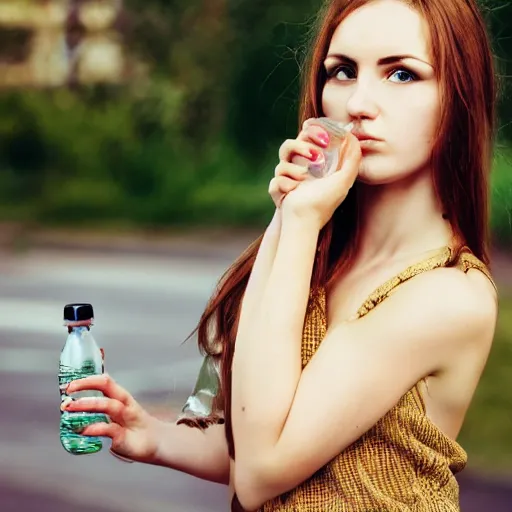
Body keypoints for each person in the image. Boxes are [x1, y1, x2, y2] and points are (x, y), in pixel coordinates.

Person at [64, 0, 500, 510]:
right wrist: (154, 437)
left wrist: (296, 222)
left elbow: (261, 471)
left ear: (461, 95)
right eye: (341, 72)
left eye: (402, 74)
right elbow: (251, 433)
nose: (358, 103)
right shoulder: (316, 251)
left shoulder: (447, 294)